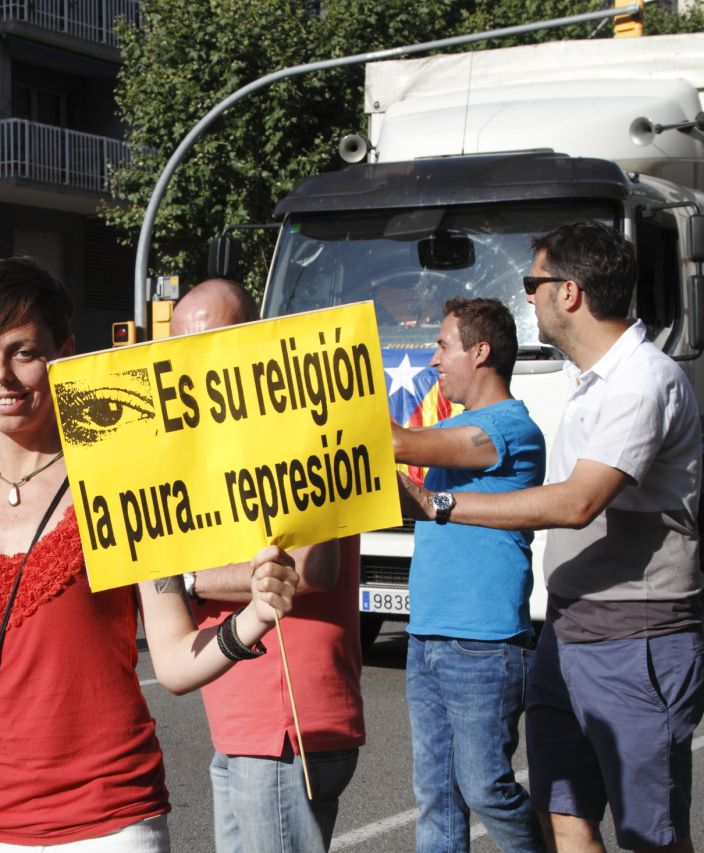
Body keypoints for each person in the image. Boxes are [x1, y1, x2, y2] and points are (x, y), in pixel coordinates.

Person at [0, 257, 301, 849]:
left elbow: (174, 661)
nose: (1, 377)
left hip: (108, 824)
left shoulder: (120, 483)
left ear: (63, 353)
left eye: (23, 352)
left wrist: (254, 614)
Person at [398, 221, 704, 853]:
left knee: (650, 832)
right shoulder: (589, 383)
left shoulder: (643, 380)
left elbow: (577, 503)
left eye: (532, 282)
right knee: (561, 815)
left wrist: (443, 504)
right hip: (568, 632)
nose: (527, 296)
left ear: (569, 292)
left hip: (636, 635)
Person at [170, 278, 366, 853]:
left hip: (284, 721)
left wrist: (184, 581)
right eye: (181, 346)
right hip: (246, 720)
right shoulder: (218, 438)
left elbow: (311, 566)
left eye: (212, 342)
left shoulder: (291, 426)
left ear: (254, 339)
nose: (194, 361)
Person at [392, 298, 546, 852]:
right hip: (427, 633)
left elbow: (399, 443)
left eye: (442, 345)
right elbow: (421, 502)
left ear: (480, 352)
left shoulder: (509, 429)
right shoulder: (455, 427)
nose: (433, 359)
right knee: (436, 796)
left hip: (484, 643)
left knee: (485, 788)